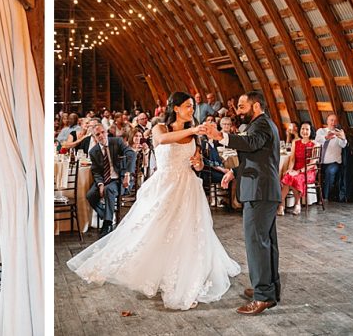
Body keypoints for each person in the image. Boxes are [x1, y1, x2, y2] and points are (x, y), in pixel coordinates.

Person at [69, 91, 240, 311]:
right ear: (176, 108)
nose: (192, 110)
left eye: (192, 106)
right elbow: (162, 141)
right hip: (165, 186)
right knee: (155, 229)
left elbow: (197, 165)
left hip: (188, 187)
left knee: (188, 231)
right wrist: (194, 129)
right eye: (188, 106)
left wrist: (197, 162)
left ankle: (184, 271)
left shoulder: (194, 135)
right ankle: (153, 270)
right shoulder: (161, 127)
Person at [206, 91, 282, 314]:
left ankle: (262, 297)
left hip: (260, 192)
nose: (237, 111)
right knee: (266, 243)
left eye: (241, 106)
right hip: (263, 190)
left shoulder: (262, 125)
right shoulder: (262, 124)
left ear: (256, 106)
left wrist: (222, 136)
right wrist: (234, 171)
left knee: (256, 244)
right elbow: (259, 156)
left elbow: (251, 143)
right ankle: (269, 289)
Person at [83, 123, 135, 235]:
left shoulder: (117, 142)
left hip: (120, 180)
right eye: (97, 134)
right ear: (94, 137)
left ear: (106, 132)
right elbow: (96, 171)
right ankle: (106, 214)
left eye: (103, 132)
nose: (101, 135)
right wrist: (100, 184)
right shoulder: (93, 152)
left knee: (109, 190)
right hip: (105, 180)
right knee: (90, 195)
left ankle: (107, 222)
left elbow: (131, 154)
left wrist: (127, 174)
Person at [280, 122, 316, 216]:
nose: (304, 131)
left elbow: (312, 164)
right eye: (302, 129)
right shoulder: (295, 142)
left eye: (307, 129)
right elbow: (292, 159)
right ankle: (283, 204)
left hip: (308, 171)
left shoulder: (315, 144)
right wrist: (290, 169)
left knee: (295, 178)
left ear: (311, 131)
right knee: (288, 175)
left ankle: (295, 204)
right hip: (296, 168)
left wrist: (299, 171)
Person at [315, 114, 347, 203]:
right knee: (312, 172)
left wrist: (343, 138)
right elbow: (317, 140)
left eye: (335, 121)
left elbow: (343, 145)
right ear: (327, 121)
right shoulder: (321, 131)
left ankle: (325, 198)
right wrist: (326, 137)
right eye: (331, 120)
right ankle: (314, 197)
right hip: (320, 162)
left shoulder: (339, 132)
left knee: (329, 172)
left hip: (334, 162)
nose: (333, 122)